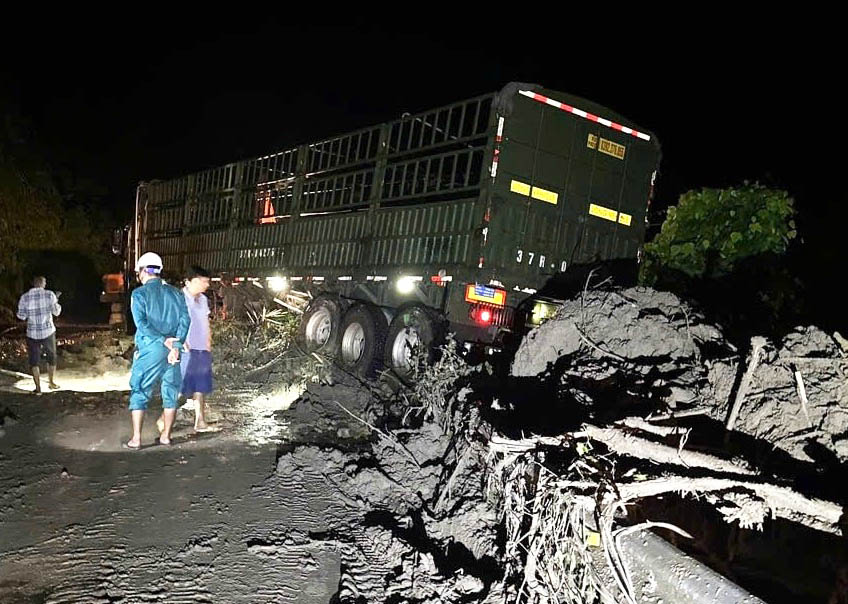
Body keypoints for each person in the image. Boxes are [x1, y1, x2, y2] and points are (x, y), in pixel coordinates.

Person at [126, 252, 190, 449]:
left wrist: (164, 341)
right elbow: (185, 320)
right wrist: (176, 345)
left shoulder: (139, 294)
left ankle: (136, 439)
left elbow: (142, 324)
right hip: (173, 352)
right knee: (170, 391)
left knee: (140, 390)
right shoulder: (176, 293)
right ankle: (166, 437)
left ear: (143, 271)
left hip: (151, 348)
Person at [157, 265, 216, 433]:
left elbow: (205, 323)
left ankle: (200, 422)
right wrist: (178, 343)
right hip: (185, 350)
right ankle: (163, 420)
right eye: (204, 282)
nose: (207, 285)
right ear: (194, 281)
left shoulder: (203, 300)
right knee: (180, 389)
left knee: (200, 386)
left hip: (201, 349)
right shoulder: (178, 298)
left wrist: (208, 343)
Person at [16, 276, 61, 394]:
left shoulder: (25, 297)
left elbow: (21, 316)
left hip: (32, 333)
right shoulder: (50, 295)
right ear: (42, 284)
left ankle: (38, 388)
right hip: (48, 331)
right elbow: (57, 312)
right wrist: (56, 300)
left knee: (34, 361)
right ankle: (51, 383)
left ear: (34, 284)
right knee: (52, 358)